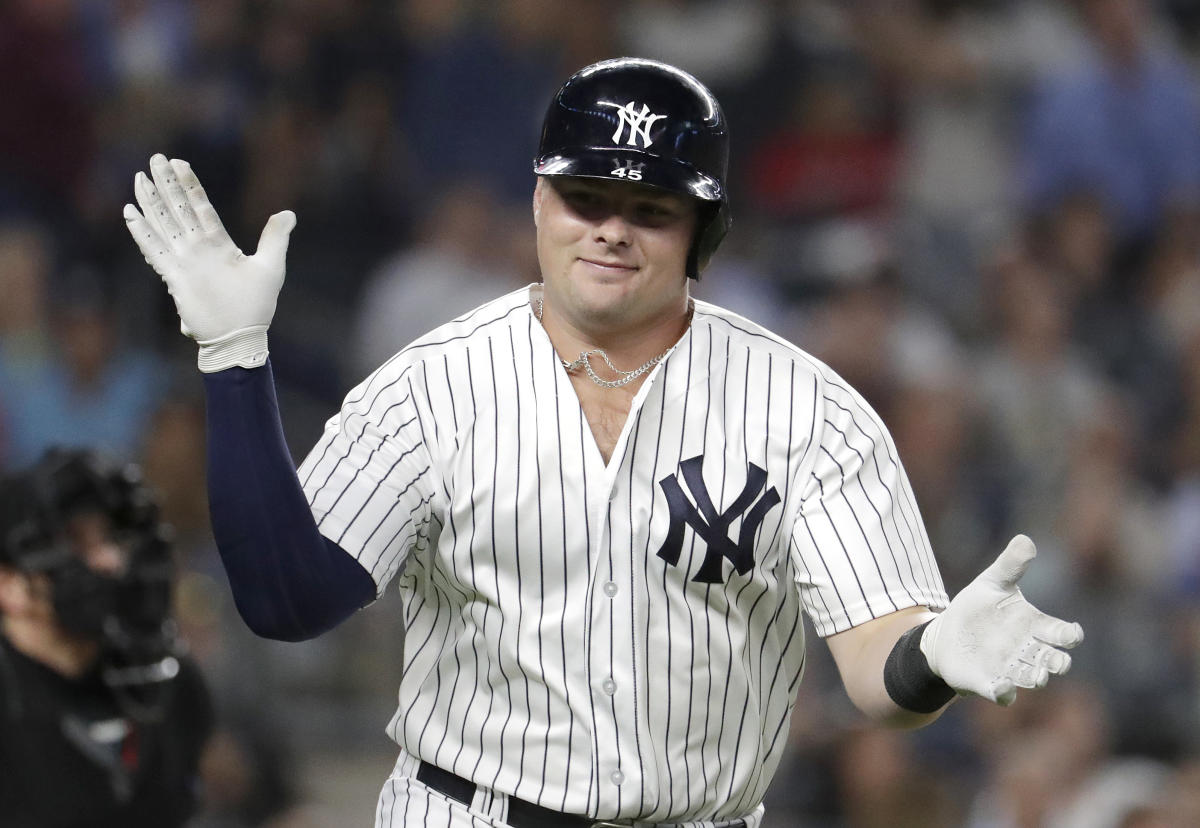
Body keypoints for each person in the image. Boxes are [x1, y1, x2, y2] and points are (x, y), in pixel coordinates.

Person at [123, 57, 1083, 828]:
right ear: (539, 204)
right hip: (467, 811)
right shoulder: (433, 384)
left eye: (652, 210)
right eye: (586, 198)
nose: (612, 231)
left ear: (704, 234)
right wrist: (234, 356)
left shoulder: (809, 410)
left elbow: (881, 671)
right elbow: (287, 601)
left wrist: (931, 657)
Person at [0, 447, 213, 828]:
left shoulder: (170, 682)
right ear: (8, 584)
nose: (109, 561)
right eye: (75, 542)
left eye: (111, 539)